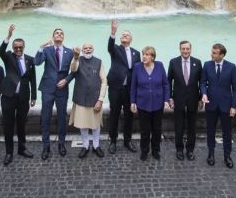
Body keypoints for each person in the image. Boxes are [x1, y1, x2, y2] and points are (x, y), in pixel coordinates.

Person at [0, 25, 36, 166]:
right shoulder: (8, 56)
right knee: (8, 125)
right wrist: (8, 36)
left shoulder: (30, 60)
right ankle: (9, 152)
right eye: (16, 48)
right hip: (8, 97)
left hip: (23, 98)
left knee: (21, 124)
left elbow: (33, 79)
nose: (18, 50)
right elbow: (1, 50)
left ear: (24, 47)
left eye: (20, 47)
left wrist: (33, 97)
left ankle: (22, 148)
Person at [35, 28, 74, 159]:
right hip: (47, 88)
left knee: (62, 117)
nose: (59, 35)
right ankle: (46, 146)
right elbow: (36, 62)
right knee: (45, 117)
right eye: (57, 33)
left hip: (62, 89)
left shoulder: (70, 52)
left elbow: (74, 71)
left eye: (61, 33)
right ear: (53, 37)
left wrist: (67, 80)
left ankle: (61, 144)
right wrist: (41, 47)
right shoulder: (47, 50)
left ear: (64, 37)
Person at [201, 43, 236, 169]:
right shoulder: (207, 65)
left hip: (226, 105)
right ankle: (211, 154)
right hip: (210, 104)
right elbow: (202, 83)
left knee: (227, 132)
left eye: (215, 53)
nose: (211, 54)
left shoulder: (231, 67)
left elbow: (235, 89)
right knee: (210, 131)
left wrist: (234, 106)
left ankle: (227, 156)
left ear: (222, 55)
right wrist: (204, 94)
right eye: (212, 52)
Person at [67, 43, 107, 159]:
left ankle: (96, 145)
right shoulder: (77, 60)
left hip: (95, 99)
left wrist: (100, 99)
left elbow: (104, 81)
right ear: (82, 50)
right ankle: (85, 146)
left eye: (90, 48)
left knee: (95, 125)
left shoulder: (99, 62)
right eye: (85, 48)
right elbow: (73, 69)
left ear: (93, 49)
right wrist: (75, 57)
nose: (88, 50)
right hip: (80, 98)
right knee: (83, 124)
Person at [130, 46, 170, 161]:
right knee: (145, 131)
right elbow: (133, 86)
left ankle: (156, 150)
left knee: (157, 130)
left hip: (158, 104)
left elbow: (165, 84)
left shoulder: (159, 65)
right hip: (143, 104)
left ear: (153, 57)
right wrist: (133, 102)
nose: (144, 57)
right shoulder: (137, 67)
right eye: (144, 54)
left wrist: (166, 100)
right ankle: (144, 151)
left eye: (147, 55)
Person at [107, 19, 141, 154]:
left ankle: (127, 140)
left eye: (127, 35)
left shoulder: (136, 53)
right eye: (123, 35)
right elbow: (109, 46)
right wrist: (113, 32)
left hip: (129, 89)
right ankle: (113, 141)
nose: (124, 36)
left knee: (129, 116)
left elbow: (138, 71)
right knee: (114, 114)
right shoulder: (115, 49)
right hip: (116, 87)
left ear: (131, 39)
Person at [168, 40, 202, 161]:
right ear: (180, 49)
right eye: (183, 49)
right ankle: (179, 149)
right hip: (178, 99)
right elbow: (168, 81)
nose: (185, 51)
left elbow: (201, 82)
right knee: (179, 126)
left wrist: (201, 99)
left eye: (187, 49)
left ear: (190, 49)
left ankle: (190, 150)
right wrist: (170, 98)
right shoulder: (173, 62)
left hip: (193, 99)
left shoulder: (197, 62)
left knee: (192, 126)